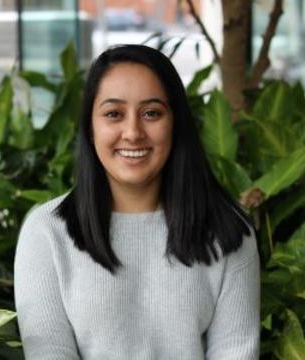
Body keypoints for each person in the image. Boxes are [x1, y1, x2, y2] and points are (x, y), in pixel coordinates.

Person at [14, 44, 260, 360]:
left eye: (151, 113)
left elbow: (236, 353)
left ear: (176, 123)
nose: (132, 132)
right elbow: (49, 353)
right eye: (113, 114)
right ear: (90, 127)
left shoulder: (228, 231)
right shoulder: (46, 232)